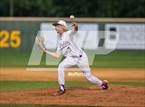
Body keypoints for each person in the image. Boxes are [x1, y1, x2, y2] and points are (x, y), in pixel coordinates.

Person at [44, 20, 108, 96]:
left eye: (58, 26)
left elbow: (75, 30)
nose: (56, 28)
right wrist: (45, 50)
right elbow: (57, 55)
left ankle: (102, 84)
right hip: (71, 58)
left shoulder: (68, 34)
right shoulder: (60, 41)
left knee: (88, 76)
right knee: (60, 66)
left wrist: (76, 25)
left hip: (81, 57)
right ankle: (62, 88)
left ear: (63, 27)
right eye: (56, 26)